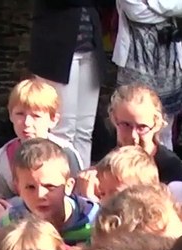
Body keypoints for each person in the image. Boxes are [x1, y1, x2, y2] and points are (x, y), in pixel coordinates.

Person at [28, 0, 103, 164]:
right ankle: (61, 176)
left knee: (85, 130)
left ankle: (81, 176)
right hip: (57, 50)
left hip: (90, 47)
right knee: (62, 129)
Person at [0, 78, 84, 203]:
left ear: (53, 119)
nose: (27, 123)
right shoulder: (4, 158)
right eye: (20, 114)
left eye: (36, 116)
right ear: (11, 115)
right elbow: (2, 201)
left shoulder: (66, 153)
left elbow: (78, 196)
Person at [113, 0, 182, 150]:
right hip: (135, 57)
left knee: (165, 126)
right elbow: (136, 13)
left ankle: (164, 162)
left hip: (168, 57)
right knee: (134, 121)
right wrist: (166, 10)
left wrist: (149, 2)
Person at [0, 138, 99, 247]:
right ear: (18, 189)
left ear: (68, 186)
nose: (40, 195)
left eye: (50, 186)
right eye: (30, 187)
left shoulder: (94, 220)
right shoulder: (11, 225)